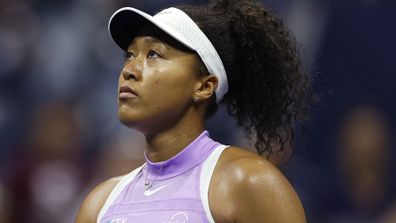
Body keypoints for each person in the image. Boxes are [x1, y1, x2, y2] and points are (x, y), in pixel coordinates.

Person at [76, 0, 311, 222]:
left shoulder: (248, 182)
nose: (129, 70)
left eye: (154, 54)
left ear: (204, 86)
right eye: (130, 54)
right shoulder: (99, 204)